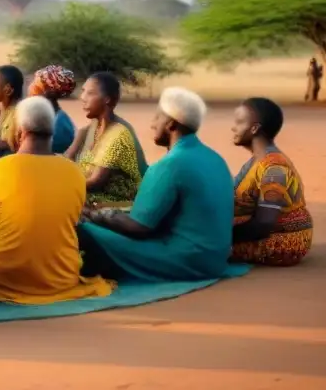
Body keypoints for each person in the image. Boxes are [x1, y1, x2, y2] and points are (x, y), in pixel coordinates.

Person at [0, 97, 113, 303]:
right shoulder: (75, 173)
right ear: (51, 132)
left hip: (4, 279)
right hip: (62, 278)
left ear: (20, 131)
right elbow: (70, 225)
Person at [78, 87, 235, 282]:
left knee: (81, 229)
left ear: (170, 124)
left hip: (188, 260)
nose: (152, 124)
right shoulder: (215, 158)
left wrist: (94, 216)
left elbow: (139, 227)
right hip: (216, 260)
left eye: (157, 118)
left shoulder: (170, 164)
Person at [230, 97, 313, 266]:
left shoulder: (275, 167)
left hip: (285, 241)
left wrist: (218, 235)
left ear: (254, 128)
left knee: (199, 249)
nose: (233, 127)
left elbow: (264, 223)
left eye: (239, 122)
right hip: (271, 232)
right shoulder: (257, 161)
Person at [65, 72, 146, 206]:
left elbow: (96, 181)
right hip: (91, 198)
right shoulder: (90, 129)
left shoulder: (118, 134)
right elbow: (66, 159)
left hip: (115, 204)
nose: (82, 98)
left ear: (107, 99)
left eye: (90, 93)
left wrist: (60, 187)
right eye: (83, 91)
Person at [27, 65, 77, 155]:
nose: (30, 88)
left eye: (35, 85)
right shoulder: (51, 116)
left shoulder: (58, 125)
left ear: (48, 92)